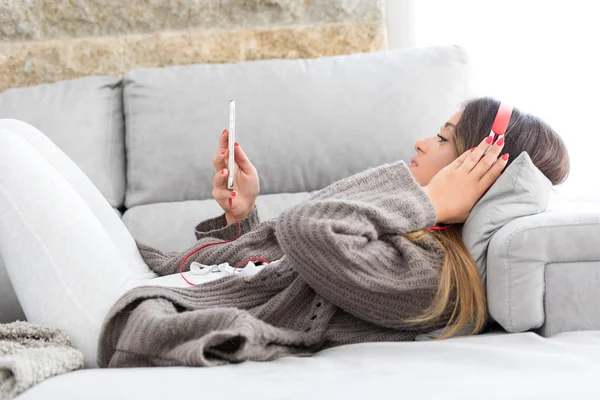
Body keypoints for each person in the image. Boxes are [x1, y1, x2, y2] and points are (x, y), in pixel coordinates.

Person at [0, 97, 569, 368]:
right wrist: (240, 218)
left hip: (120, 312)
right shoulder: (407, 231)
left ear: (479, 169)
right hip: (153, 280)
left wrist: (424, 198)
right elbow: (281, 275)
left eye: (444, 139)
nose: (422, 142)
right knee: (20, 134)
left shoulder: (432, 278)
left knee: (6, 146)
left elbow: (309, 231)